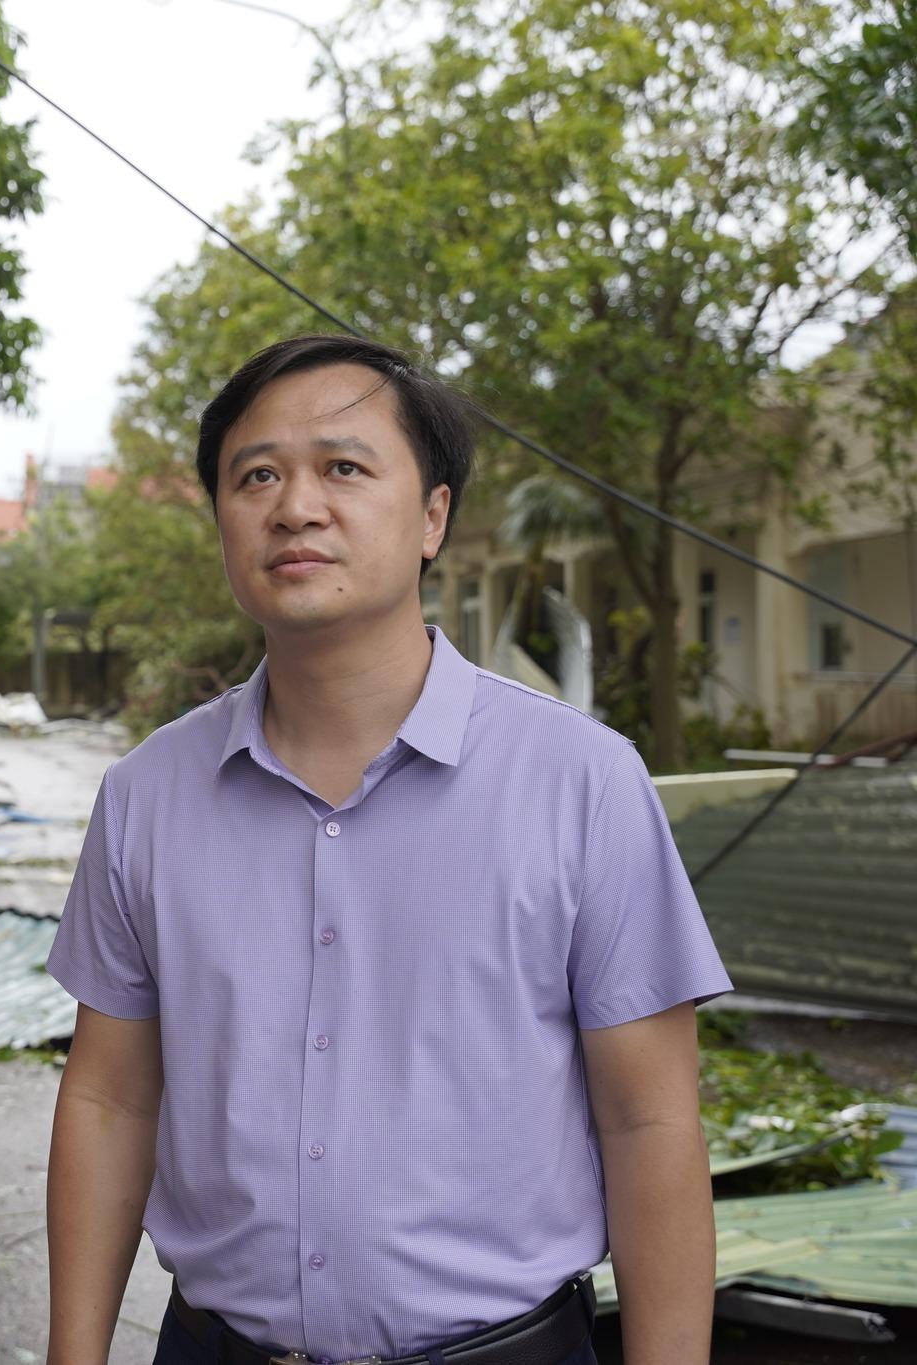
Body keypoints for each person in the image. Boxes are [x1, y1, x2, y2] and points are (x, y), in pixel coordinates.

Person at [43, 334, 731, 1365]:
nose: (295, 507)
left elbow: (649, 1123)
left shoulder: (581, 783)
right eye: (255, 476)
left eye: (343, 467)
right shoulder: (147, 795)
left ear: (432, 517)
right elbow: (109, 1099)